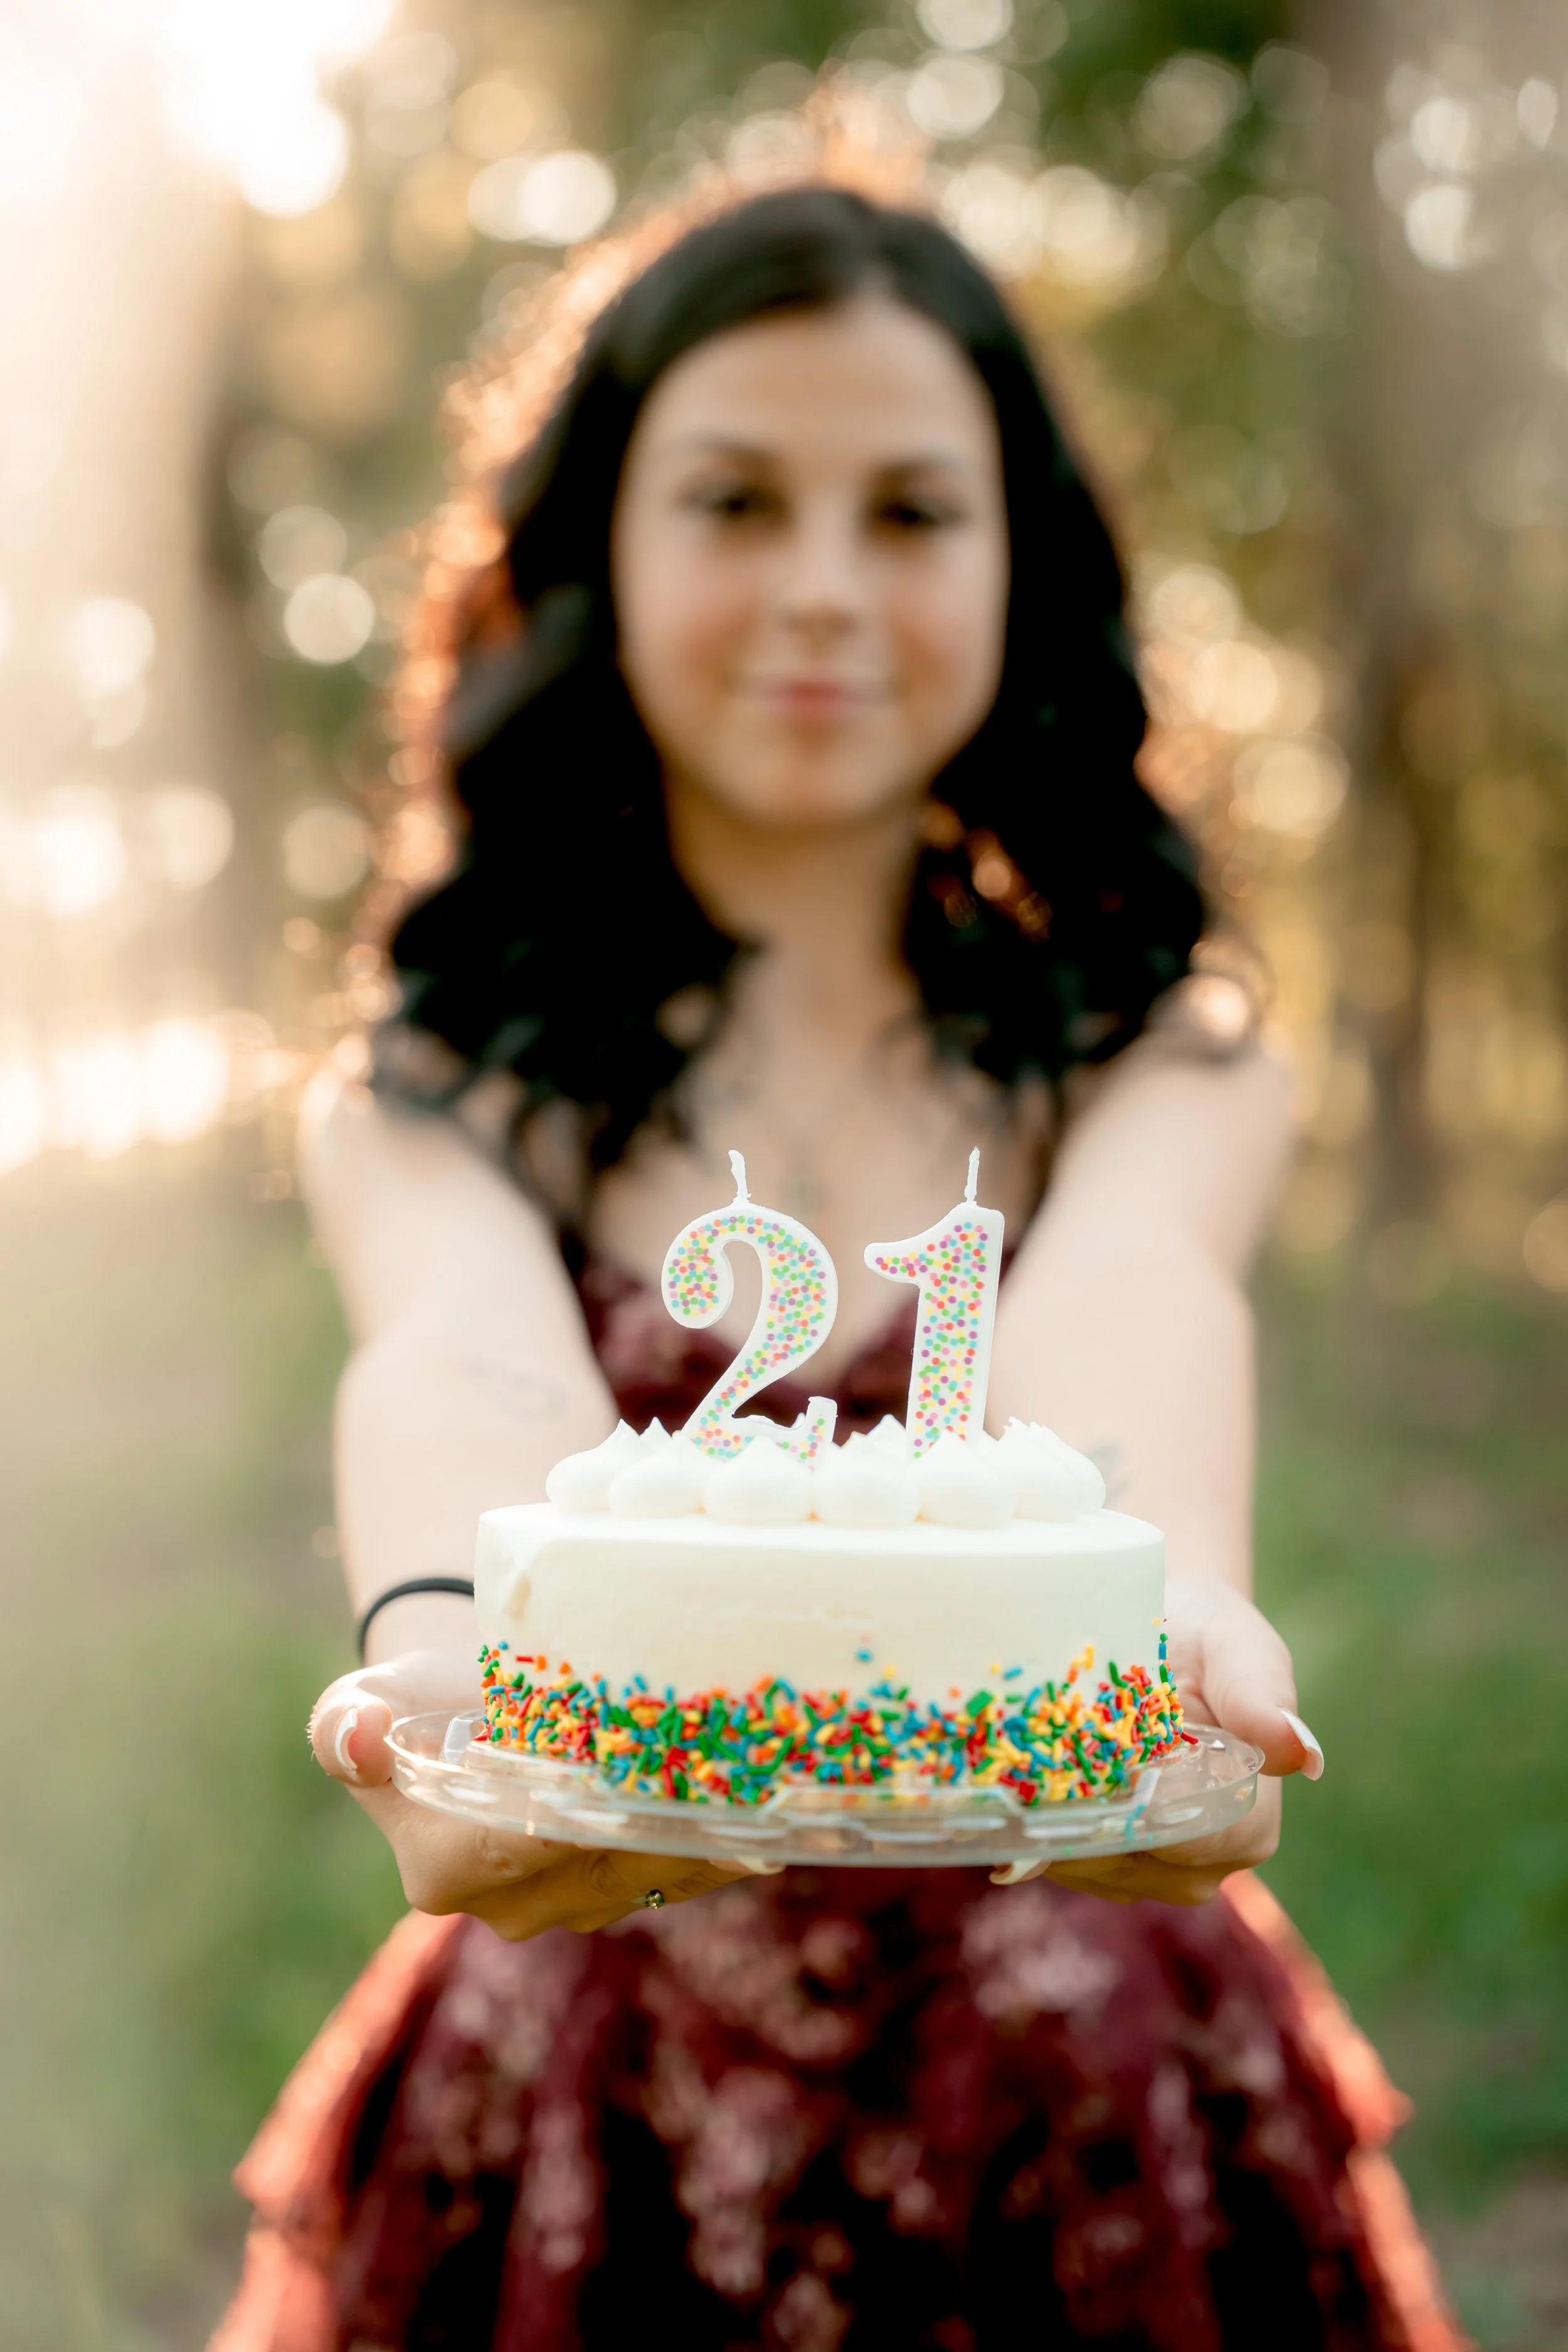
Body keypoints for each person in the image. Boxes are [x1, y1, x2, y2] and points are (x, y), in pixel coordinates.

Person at [213, 181, 1461, 2352]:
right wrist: (436, 1640)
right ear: (597, 554)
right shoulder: (443, 1087)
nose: (817, 588)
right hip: (581, 2098)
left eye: (905, 509)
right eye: (732, 500)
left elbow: (1120, 1320)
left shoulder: (1151, 1055)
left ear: (1019, 564)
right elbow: (465, 1369)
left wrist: (1167, 1608)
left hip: (1080, 2085)